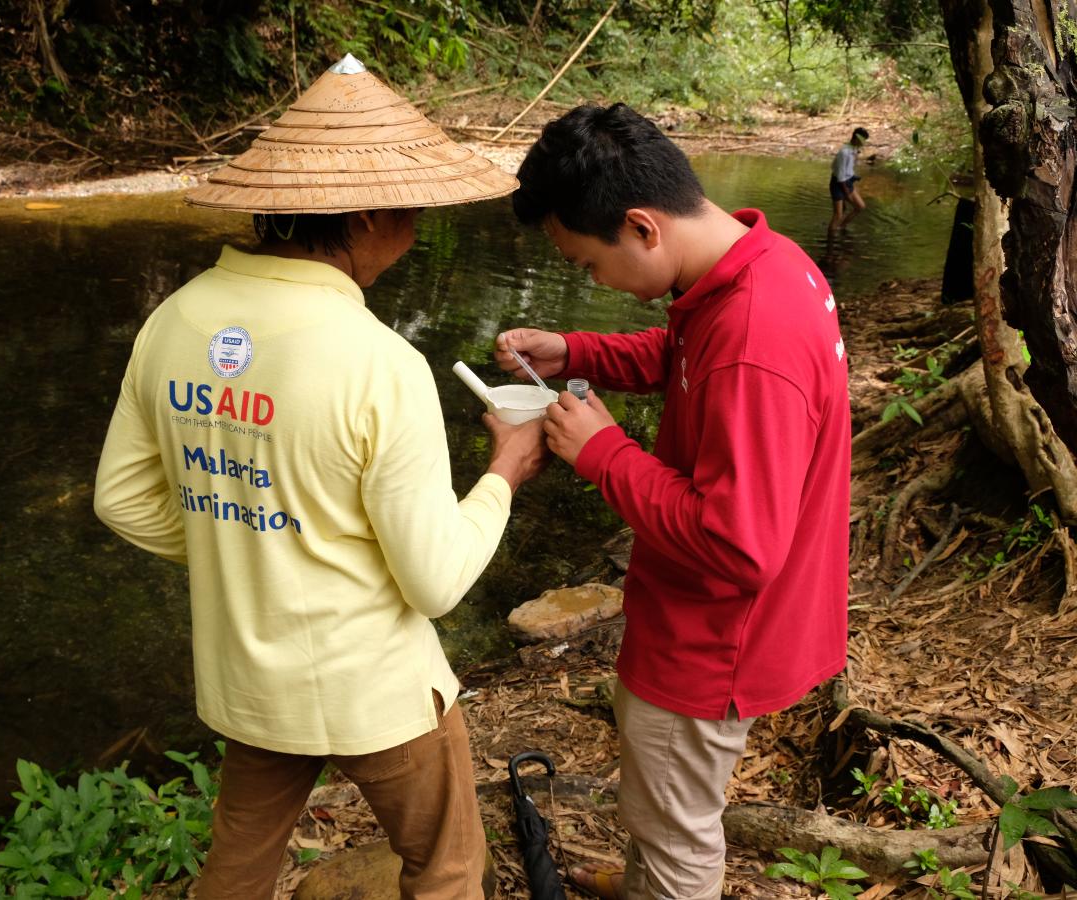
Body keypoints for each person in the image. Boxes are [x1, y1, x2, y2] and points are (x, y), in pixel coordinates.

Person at [93, 55, 548, 900]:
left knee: (236, 869)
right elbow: (437, 581)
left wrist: (240, 535)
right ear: (369, 214)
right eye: (412, 212)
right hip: (372, 685)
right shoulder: (380, 362)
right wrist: (506, 473)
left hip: (247, 678)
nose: (416, 231)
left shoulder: (174, 319)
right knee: (447, 866)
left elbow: (120, 498)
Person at [495, 103, 850, 900]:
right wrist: (577, 350)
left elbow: (740, 546)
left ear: (643, 227)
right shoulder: (762, 266)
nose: (595, 282)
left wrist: (603, 453)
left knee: (676, 834)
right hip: (715, 623)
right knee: (660, 813)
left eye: (590, 264)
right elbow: (686, 351)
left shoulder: (755, 336)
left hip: (712, 642)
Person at [829, 126, 869, 232]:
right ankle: (831, 239)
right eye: (861, 141)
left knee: (860, 206)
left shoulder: (853, 148)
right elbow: (840, 175)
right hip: (839, 184)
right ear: (855, 139)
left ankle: (842, 227)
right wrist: (846, 192)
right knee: (838, 214)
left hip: (848, 181)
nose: (862, 144)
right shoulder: (844, 152)